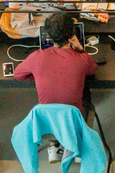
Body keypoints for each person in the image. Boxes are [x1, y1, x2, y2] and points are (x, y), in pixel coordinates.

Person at [14, 11, 99, 162]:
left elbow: (18, 74)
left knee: (51, 101)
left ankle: (54, 147)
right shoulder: (81, 59)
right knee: (86, 96)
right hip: (72, 122)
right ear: (72, 35)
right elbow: (92, 69)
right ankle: (77, 146)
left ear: (48, 35)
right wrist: (81, 49)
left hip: (47, 124)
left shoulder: (37, 56)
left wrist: (39, 76)